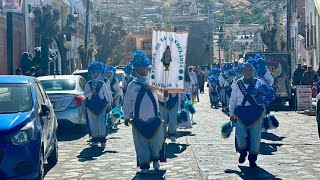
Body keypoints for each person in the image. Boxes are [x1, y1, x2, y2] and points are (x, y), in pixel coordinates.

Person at [123, 50, 165, 174]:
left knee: (156, 142)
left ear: (147, 68)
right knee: (141, 144)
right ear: (136, 70)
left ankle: (156, 159)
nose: (142, 71)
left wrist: (165, 94)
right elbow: (126, 102)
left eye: (144, 69)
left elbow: (163, 98)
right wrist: (126, 116)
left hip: (154, 119)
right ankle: (144, 164)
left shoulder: (155, 82)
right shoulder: (132, 85)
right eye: (140, 69)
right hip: (138, 121)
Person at [229, 63, 266, 168]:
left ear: (253, 71)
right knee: (240, 135)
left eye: (250, 70)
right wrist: (231, 113)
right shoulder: (237, 84)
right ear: (242, 72)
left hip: (256, 112)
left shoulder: (258, 82)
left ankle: (252, 159)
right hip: (241, 112)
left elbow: (264, 96)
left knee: (255, 137)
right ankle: (243, 152)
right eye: (245, 70)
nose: (247, 72)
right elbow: (233, 100)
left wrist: (264, 106)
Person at [84, 61, 112, 147]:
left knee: (101, 123)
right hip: (91, 106)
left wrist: (109, 103)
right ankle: (95, 139)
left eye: (97, 73)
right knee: (93, 123)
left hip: (101, 105)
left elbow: (107, 94)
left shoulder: (102, 83)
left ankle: (102, 140)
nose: (95, 74)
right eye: (94, 73)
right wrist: (91, 92)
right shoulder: (88, 84)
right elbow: (85, 94)